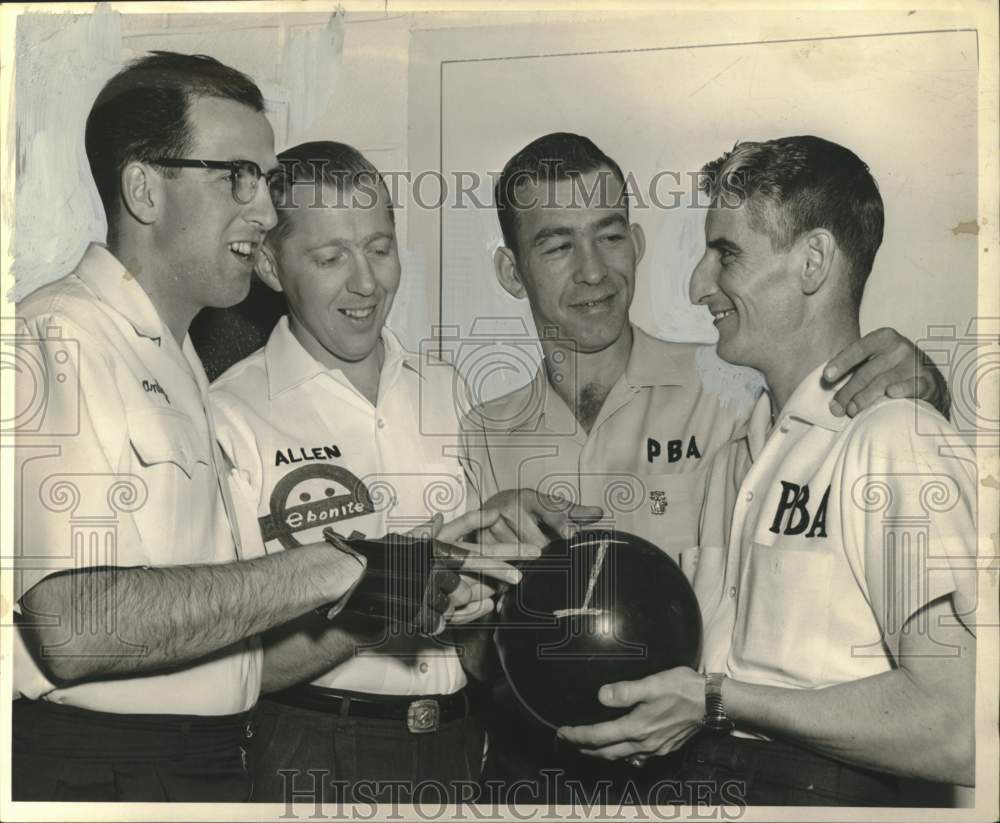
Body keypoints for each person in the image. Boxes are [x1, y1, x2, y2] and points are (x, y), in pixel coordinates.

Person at [11, 53, 518, 803]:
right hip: (113, 768)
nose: (262, 209)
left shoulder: (171, 352)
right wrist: (346, 564)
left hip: (203, 760)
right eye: (236, 176)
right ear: (143, 187)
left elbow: (219, 626)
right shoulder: (60, 333)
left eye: (264, 176)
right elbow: (72, 622)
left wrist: (416, 582)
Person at [459, 131, 952, 802]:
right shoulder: (481, 430)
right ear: (513, 272)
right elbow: (481, 656)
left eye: (609, 236)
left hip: (704, 767)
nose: (594, 271)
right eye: (557, 244)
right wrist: (467, 597)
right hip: (548, 768)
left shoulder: (731, 382)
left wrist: (923, 392)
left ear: (634, 242)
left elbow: (956, 712)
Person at [208, 141, 589, 805]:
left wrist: (507, 575)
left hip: (461, 744)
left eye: (380, 248)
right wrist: (386, 604)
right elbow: (236, 667)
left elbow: (477, 641)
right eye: (331, 258)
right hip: (312, 749)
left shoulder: (448, 389)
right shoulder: (230, 415)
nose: (367, 282)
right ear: (270, 263)